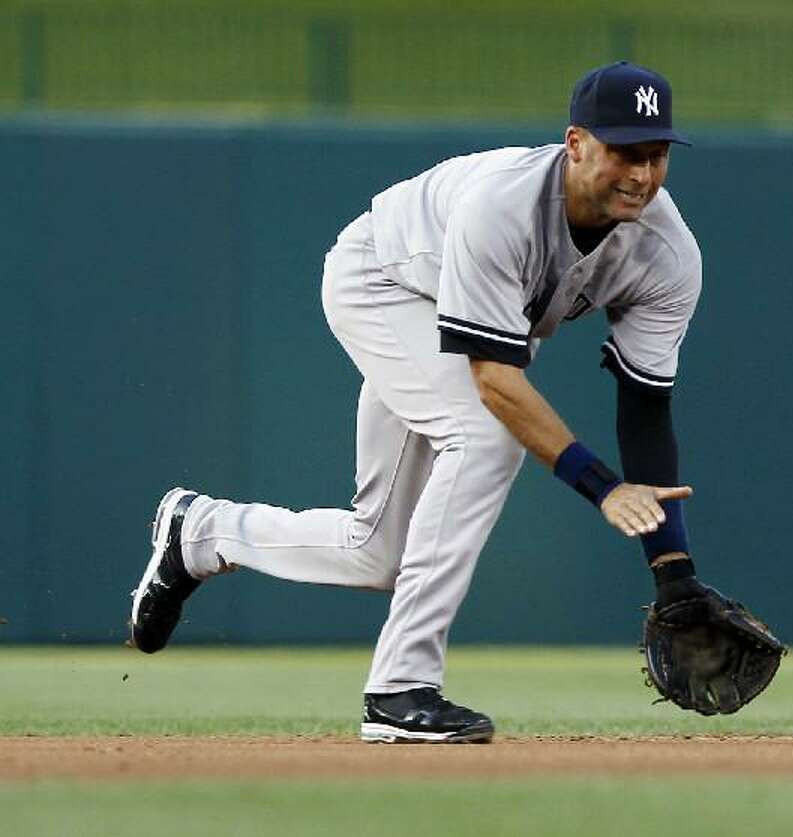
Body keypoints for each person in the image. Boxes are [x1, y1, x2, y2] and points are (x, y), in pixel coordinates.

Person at [130, 61, 709, 744]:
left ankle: (201, 532)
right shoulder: (505, 205)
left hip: (467, 319)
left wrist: (673, 571)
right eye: (623, 152)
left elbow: (645, 406)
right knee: (486, 437)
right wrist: (599, 485)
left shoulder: (667, 253)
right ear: (576, 142)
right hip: (384, 282)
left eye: (656, 154)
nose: (641, 174)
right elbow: (495, 380)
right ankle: (400, 687)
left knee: (377, 551)